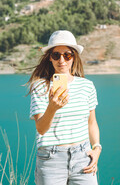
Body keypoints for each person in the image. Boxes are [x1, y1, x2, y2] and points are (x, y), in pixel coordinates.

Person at [27, 30, 102, 185]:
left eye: (67, 55)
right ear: (50, 58)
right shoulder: (40, 87)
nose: (62, 60)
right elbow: (41, 128)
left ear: (74, 57)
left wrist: (97, 149)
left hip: (83, 157)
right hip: (51, 160)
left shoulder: (87, 86)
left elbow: (92, 123)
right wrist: (52, 108)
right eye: (56, 55)